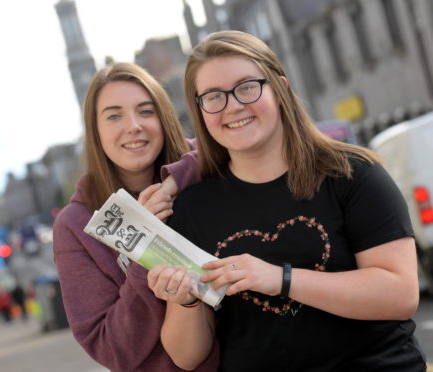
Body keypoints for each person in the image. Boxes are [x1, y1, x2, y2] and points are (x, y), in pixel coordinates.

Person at [147, 30, 426, 371]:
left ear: (280, 88)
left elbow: (400, 295)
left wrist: (281, 279)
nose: (233, 105)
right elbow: (187, 357)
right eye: (213, 96)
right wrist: (185, 300)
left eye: (247, 87)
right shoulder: (192, 209)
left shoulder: (352, 174)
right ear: (200, 110)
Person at [53, 62, 218, 371]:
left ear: (163, 116)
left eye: (145, 111)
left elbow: (222, 146)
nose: (133, 126)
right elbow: (111, 350)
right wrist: (144, 247)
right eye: (114, 116)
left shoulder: (204, 167)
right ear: (95, 131)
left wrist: (174, 181)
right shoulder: (75, 225)